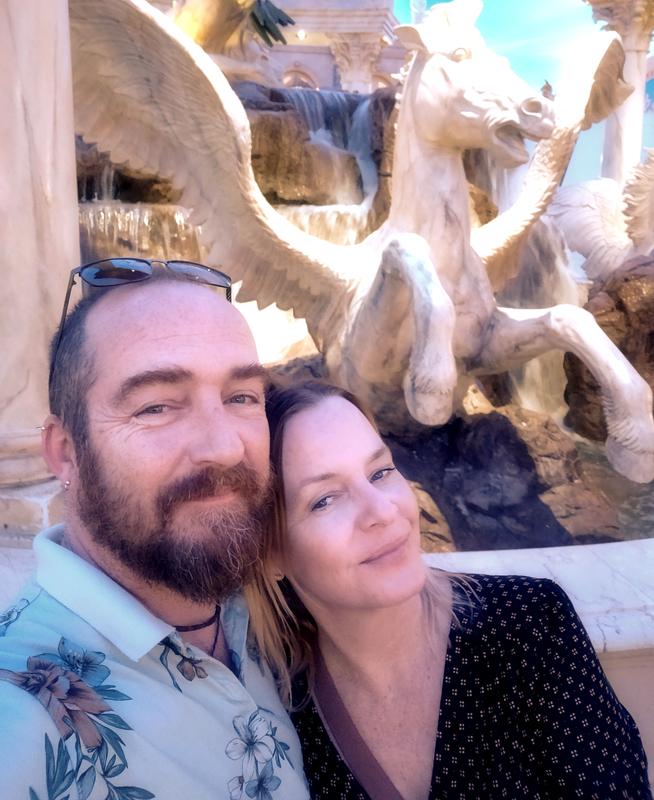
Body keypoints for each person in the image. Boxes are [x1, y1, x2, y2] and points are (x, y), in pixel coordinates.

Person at [245, 380, 652, 800]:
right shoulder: (275, 705)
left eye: (381, 472)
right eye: (325, 500)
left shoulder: (529, 625)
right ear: (270, 554)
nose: (383, 511)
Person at [0, 259, 309, 800]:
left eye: (241, 397)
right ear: (66, 452)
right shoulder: (19, 717)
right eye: (156, 407)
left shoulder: (268, 609)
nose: (224, 448)